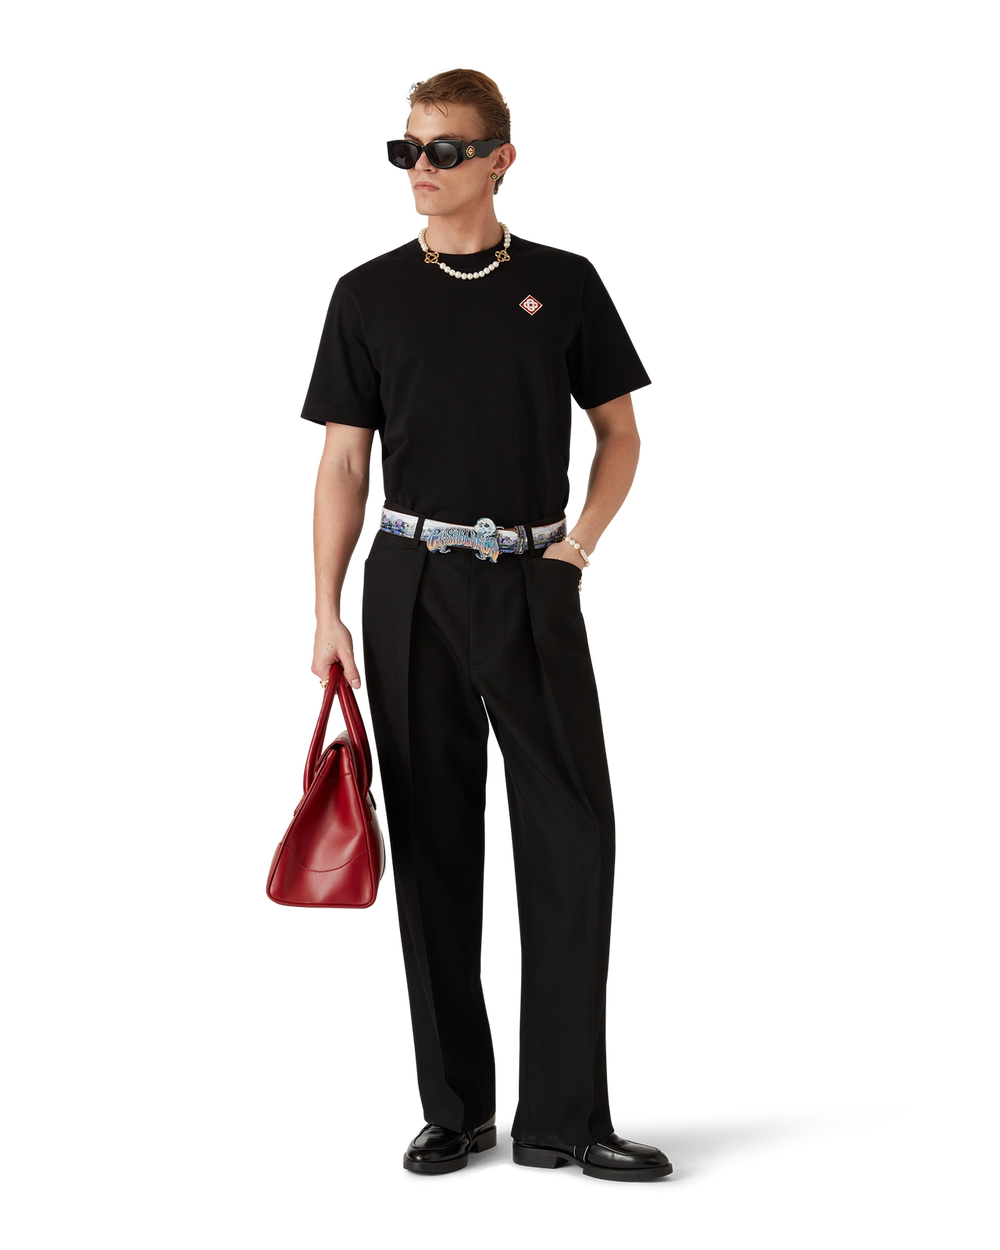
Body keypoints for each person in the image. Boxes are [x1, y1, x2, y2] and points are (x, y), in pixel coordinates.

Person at [298, 64, 672, 1182]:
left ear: (501, 159)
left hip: (532, 579)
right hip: (407, 583)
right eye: (404, 149)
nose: (419, 167)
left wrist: (577, 548)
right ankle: (453, 1109)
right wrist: (324, 611)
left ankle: (567, 1119)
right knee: (430, 840)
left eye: (444, 150)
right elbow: (343, 463)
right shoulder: (366, 291)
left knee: (574, 834)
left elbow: (620, 432)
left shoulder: (564, 280)